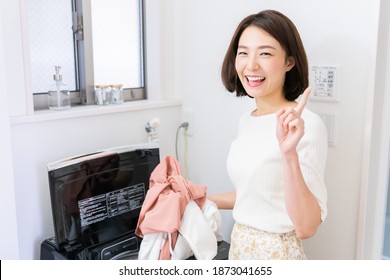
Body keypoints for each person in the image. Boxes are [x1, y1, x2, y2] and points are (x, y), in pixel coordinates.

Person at [207, 10, 328, 260]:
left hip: (276, 254)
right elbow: (259, 194)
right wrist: (198, 197)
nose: (251, 65)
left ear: (289, 62)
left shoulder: (305, 124)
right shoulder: (247, 120)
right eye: (243, 52)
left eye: (265, 53)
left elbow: (307, 226)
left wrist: (289, 154)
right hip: (240, 248)